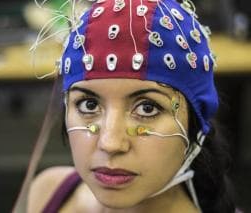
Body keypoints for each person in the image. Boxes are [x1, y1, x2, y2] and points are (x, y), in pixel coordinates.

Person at [19, 0, 237, 212]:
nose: (110, 143)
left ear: (195, 123)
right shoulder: (48, 191)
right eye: (89, 104)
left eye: (147, 108)